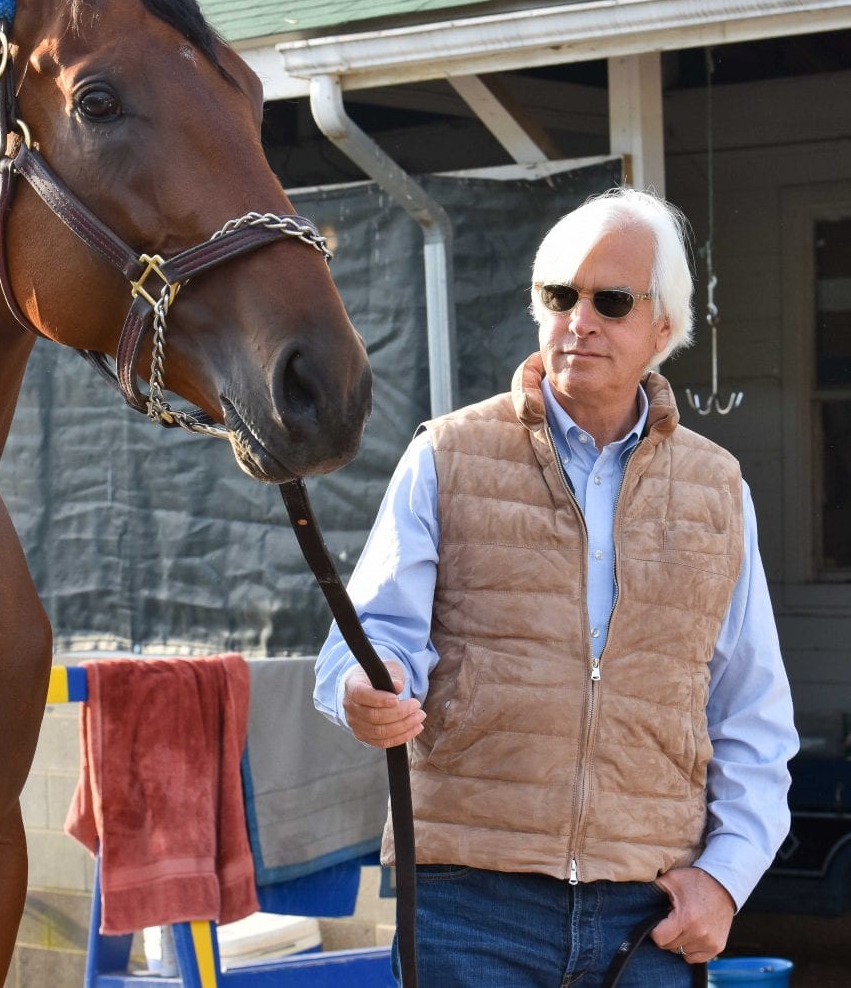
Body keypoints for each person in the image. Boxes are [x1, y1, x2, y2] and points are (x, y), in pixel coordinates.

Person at [314, 188, 797, 987]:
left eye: (611, 301)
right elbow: (367, 641)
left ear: (663, 330)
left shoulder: (721, 489)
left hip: (648, 918)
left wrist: (726, 878)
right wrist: (367, 689)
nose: (581, 319)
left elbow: (752, 711)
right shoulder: (446, 456)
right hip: (468, 905)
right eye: (559, 296)